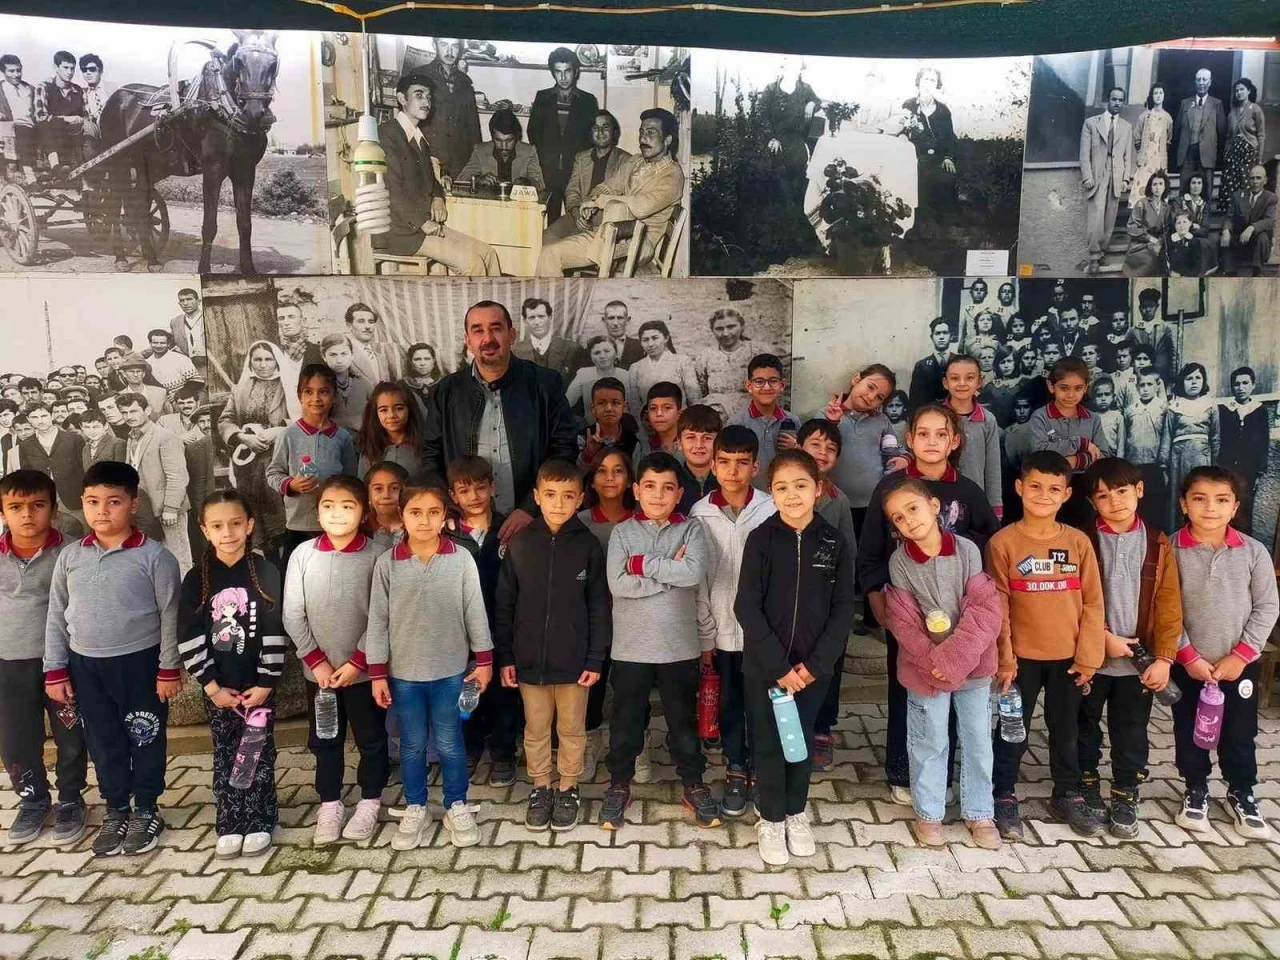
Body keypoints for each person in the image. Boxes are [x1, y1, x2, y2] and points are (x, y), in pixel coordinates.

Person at [857, 404, 999, 800]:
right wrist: (876, 599)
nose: (931, 442)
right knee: (908, 689)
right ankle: (903, 773)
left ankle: (944, 778)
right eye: (923, 433)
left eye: (941, 434)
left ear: (954, 441)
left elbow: (990, 544)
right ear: (910, 439)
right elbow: (870, 551)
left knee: (953, 689)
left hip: (959, 616)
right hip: (906, 612)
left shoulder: (968, 492)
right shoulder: (890, 489)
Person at [44, 460, 182, 857]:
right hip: (86, 667)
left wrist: (168, 668)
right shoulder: (71, 557)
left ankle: (147, 808)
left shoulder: (155, 558)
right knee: (103, 740)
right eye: (92, 501)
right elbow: (57, 614)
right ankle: (117, 808)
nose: (101, 511)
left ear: (134, 504)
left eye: (113, 501)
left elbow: (170, 616)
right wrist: (55, 669)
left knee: (145, 736)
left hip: (139, 665)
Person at [736, 450, 857, 865]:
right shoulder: (761, 539)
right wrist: (779, 667)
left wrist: (815, 665)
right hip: (765, 669)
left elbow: (843, 609)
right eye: (782, 487)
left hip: (812, 672)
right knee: (769, 742)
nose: (792, 495)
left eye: (801, 485)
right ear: (771, 493)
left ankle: (795, 811)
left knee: (801, 741)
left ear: (818, 489)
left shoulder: (833, 541)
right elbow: (746, 607)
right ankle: (770, 817)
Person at [986, 450, 1105, 840]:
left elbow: (1093, 603)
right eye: (1035, 486)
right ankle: (1002, 793)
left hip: (1068, 659)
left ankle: (1067, 793)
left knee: (1066, 728)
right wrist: (1005, 658)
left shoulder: (1078, 542)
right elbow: (998, 607)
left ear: (1067, 494)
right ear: (1019, 488)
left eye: (1054, 489)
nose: (1043, 495)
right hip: (1020, 661)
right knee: (1012, 728)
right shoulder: (1003, 543)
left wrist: (1089, 656)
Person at [878, 475, 1002, 850]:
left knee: (978, 740)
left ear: (934, 507)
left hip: (974, 667)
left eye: (913, 509)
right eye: (898, 518)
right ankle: (929, 812)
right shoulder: (900, 561)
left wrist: (952, 659)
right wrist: (934, 663)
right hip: (925, 671)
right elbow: (903, 620)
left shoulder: (967, 551)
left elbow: (983, 609)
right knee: (929, 740)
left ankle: (979, 811)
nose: (909, 520)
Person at [368, 484, 492, 849]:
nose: (424, 520)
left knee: (451, 742)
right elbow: (377, 621)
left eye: (433, 512)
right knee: (412, 744)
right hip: (404, 676)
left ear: (445, 517)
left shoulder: (460, 559)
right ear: (402, 516)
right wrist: (377, 673)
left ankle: (456, 804)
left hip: (451, 672)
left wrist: (484, 660)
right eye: (416, 512)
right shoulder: (387, 563)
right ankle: (416, 806)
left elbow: (475, 610)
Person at [600, 452, 717, 830]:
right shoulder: (622, 532)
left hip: (679, 647)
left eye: (668, 488)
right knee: (626, 721)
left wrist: (641, 565)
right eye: (649, 486)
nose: (658, 495)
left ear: (679, 493)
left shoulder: (691, 530)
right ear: (636, 490)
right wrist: (670, 576)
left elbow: (693, 574)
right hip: (631, 648)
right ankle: (619, 784)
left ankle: (693, 783)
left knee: (683, 721)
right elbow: (618, 584)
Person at [497, 458, 610, 831]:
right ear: (536, 496)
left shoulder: (588, 545)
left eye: (567, 496)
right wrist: (506, 656)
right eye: (550, 494)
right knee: (536, 728)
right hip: (529, 660)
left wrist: (595, 658)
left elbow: (598, 606)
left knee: (572, 729)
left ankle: (568, 787)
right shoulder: (520, 543)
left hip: (574, 662)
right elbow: (505, 604)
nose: (558, 503)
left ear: (580, 498)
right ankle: (541, 786)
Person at [1170, 466, 1277, 840]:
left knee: (1239, 732)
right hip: (1190, 666)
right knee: (1190, 730)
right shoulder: (1169, 550)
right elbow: (1164, 610)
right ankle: (1195, 788)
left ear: (1235, 507)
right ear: (1184, 504)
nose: (1210, 508)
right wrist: (1188, 656)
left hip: (1238, 667)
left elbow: (1267, 607)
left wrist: (1241, 656)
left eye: (1221, 500)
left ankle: (1242, 791)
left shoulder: (1253, 552)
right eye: (1199, 499)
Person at [178, 490, 285, 859]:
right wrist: (211, 687)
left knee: (255, 751)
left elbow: (274, 630)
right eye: (218, 525)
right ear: (205, 530)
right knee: (226, 753)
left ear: (249, 525)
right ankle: (230, 821)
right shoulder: (196, 579)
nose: (228, 533)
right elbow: (188, 635)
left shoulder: (266, 572)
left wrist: (265, 683)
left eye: (236, 523)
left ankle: (260, 818)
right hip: (219, 689)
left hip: (258, 688)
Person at [283, 474, 389, 845]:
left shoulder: (378, 556)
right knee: (325, 738)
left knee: (371, 738)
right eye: (328, 506)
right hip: (320, 676)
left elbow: (382, 615)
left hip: (362, 673)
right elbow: (292, 613)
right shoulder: (303, 555)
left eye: (347, 506)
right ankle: (330, 802)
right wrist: (316, 661)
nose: (337, 513)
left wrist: (358, 661)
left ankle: (370, 800)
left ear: (364, 512)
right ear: (317, 512)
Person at [1079, 458, 1181, 839]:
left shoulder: (1157, 542)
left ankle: (1125, 790)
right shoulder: (1082, 540)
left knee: (1131, 729)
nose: (1115, 502)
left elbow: (1169, 604)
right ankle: (1085, 783)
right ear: (1092, 502)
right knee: (1083, 725)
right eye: (1103, 496)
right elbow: (1072, 599)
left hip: (1138, 664)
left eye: (1122, 492)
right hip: (1091, 659)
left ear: (1139, 490)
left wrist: (1165, 659)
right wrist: (1101, 637)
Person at [421, 301, 579, 544]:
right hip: (466, 529)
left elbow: (564, 450)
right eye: (478, 330)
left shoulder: (545, 384)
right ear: (468, 340)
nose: (488, 339)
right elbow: (431, 455)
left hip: (532, 524)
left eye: (496, 328)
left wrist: (531, 507)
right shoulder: (446, 391)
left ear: (512, 334)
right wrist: (448, 505)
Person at [691, 426, 777, 819]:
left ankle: (760, 767)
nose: (732, 471)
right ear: (712, 465)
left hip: (762, 633)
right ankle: (735, 767)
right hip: (721, 629)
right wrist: (705, 634)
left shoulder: (771, 509)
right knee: (729, 703)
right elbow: (698, 580)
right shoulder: (700, 513)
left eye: (742, 463)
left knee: (762, 703)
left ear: (756, 467)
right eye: (724, 462)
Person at [0, 470, 87, 846]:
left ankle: (70, 799)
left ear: (53, 509)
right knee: (16, 738)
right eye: (16, 507)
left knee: (71, 735)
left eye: (37, 505)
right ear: (3, 511)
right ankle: (33, 799)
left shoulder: (74, 553)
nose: (27, 514)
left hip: (62, 665)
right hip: (9, 665)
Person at [376, 74, 500, 276]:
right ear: (401, 99)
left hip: (420, 227)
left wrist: (438, 197)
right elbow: (391, 190)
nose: (426, 102)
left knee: (488, 253)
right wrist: (423, 223)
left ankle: (493, 298)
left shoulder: (419, 138)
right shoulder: (387, 134)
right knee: (473, 264)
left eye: (428, 96)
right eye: (419, 95)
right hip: (401, 232)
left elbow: (431, 180)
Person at [536, 109, 684, 277]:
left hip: (639, 244)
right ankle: (596, 267)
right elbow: (609, 186)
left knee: (616, 206)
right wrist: (592, 200)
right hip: (607, 235)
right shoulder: (636, 161)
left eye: (651, 133)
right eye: (641, 132)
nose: (643, 139)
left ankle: (602, 268)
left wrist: (600, 202)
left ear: (668, 139)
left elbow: (641, 207)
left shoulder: (673, 174)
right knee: (549, 254)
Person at [444, 456, 515, 784]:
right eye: (464, 490)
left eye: (480, 488)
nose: (473, 496)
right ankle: (471, 747)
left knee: (503, 693)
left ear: (493, 487)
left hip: (502, 626)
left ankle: (504, 753)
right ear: (453, 495)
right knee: (467, 690)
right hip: (461, 631)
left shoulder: (508, 529)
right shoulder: (448, 535)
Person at [265, 363, 360, 568]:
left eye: (323, 392)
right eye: (309, 392)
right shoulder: (288, 435)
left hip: (334, 525)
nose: (316, 398)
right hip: (298, 525)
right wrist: (291, 484)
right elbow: (273, 473)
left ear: (334, 397)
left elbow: (351, 480)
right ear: (300, 396)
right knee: (294, 576)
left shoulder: (342, 437)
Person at [577, 446, 635, 778]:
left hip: (633, 622)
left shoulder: (642, 519)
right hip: (592, 623)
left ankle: (635, 748)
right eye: (602, 470)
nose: (610, 478)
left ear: (630, 479)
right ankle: (590, 742)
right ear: (592, 479)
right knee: (592, 686)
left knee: (632, 689)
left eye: (618, 470)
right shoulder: (580, 522)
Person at [218, 341, 298, 553]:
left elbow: (302, 418)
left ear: (277, 361)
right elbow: (225, 420)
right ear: (250, 362)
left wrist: (278, 431)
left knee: (279, 513)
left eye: (268, 359)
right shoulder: (241, 388)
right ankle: (266, 560)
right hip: (249, 461)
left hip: (279, 458)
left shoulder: (289, 386)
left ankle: (286, 559)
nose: (263, 365)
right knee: (254, 513)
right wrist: (242, 437)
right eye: (258, 359)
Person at [119, 392, 192, 575]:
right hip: (145, 509)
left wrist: (171, 508)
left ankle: (186, 591)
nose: (129, 416)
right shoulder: (132, 437)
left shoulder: (165, 436)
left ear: (147, 410)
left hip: (167, 508)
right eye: (124, 412)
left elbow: (177, 476)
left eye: (133, 411)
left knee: (178, 558)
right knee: (157, 559)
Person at [1028, 358, 1104, 530]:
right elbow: (1040, 452)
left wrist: (1075, 461)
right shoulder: (1040, 417)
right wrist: (1081, 443)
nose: (1071, 395)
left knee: (1082, 532)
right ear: (1051, 386)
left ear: (1086, 388)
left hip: (1084, 488)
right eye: (1064, 388)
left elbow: (1103, 456)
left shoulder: (1093, 419)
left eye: (1078, 388)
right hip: (1048, 487)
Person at [528, 47, 600, 223]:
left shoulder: (588, 101)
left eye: (567, 71)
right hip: (548, 170)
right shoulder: (542, 97)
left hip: (576, 169)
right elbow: (533, 131)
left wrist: (581, 163)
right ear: (552, 73)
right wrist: (545, 157)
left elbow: (592, 136)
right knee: (549, 218)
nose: (563, 77)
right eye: (558, 72)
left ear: (576, 71)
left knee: (575, 217)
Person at [547, 110, 631, 246]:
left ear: (614, 132)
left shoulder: (626, 160)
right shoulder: (581, 158)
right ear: (591, 133)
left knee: (573, 247)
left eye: (605, 127)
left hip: (608, 221)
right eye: (596, 128)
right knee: (546, 238)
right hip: (579, 216)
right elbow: (572, 191)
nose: (600, 132)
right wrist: (577, 215)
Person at [1079, 87, 1135, 275]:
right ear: (1107, 100)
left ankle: (1102, 251)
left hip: (1116, 173)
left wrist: (1126, 178)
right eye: (1113, 99)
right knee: (1096, 213)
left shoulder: (1126, 126)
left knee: (1110, 215)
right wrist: (1087, 176)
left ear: (1123, 102)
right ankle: (1094, 256)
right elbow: (1084, 154)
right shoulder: (1091, 123)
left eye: (1120, 100)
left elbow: (1128, 155)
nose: (1116, 103)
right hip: (1098, 173)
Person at [1159, 362, 1220, 531]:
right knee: (1179, 495)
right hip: (1178, 459)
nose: (1194, 382)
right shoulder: (1175, 406)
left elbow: (1215, 437)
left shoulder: (1210, 405)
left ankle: (1201, 531)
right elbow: (1167, 435)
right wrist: (1163, 465)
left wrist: (1214, 464)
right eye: (1189, 378)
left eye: (1198, 378)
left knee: (1200, 493)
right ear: (1182, 382)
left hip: (1201, 457)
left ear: (1203, 381)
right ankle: (1178, 534)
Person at [899, 66, 957, 235]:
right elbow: (902, 130)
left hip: (938, 158)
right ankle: (915, 228)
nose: (928, 83)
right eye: (925, 79)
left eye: (932, 80)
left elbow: (950, 137)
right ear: (919, 82)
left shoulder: (943, 110)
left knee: (944, 179)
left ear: (937, 85)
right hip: (914, 156)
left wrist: (948, 157)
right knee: (917, 179)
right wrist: (904, 140)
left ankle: (939, 230)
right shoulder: (909, 105)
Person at [942, 355, 1002, 517]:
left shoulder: (988, 420)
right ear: (945, 383)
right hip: (939, 499)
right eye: (955, 378)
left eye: (969, 378)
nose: (962, 383)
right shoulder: (935, 417)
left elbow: (993, 467)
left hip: (975, 500)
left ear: (979, 381)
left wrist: (995, 508)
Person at [728, 353, 800, 488]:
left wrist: (797, 448)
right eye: (759, 381)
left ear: (782, 385)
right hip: (749, 495)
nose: (766, 387)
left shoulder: (792, 421)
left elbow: (802, 463)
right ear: (749, 386)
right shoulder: (737, 423)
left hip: (784, 493)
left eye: (773, 381)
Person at [18, 404, 84, 535]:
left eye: (44, 416)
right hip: (43, 500)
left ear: (52, 416)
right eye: (35, 417)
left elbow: (84, 469)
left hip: (73, 498)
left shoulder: (73, 439)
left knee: (80, 533)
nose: (40, 421)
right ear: (29, 420)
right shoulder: (25, 445)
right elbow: (27, 476)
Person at [1218, 366, 1269, 534]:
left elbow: (1263, 442)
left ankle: (1243, 542)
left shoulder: (1260, 411)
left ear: (1253, 385)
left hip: (1249, 469)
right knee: (1226, 505)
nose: (1241, 388)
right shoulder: (1225, 410)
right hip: (1227, 467)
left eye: (1245, 383)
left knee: (1245, 506)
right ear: (1232, 387)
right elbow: (1220, 439)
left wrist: (1259, 471)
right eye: (1237, 384)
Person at [419, 38, 480, 178]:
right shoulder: (420, 75)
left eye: (455, 46)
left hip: (460, 160)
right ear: (434, 45)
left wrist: (476, 161)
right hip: (430, 158)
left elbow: (473, 125)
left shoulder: (464, 81)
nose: (449, 51)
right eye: (444, 45)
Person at [1174, 69, 1227, 213]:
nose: (1201, 83)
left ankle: (1203, 222)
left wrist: (1216, 153)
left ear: (1210, 82)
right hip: (1187, 153)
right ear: (1195, 81)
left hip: (1207, 153)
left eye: (1204, 80)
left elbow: (1222, 132)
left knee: (1206, 190)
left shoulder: (1217, 104)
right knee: (1184, 188)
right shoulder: (1185, 103)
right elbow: (1177, 130)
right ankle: (1183, 220)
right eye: (1198, 79)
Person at [625, 321, 702, 418]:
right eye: (645, 340)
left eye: (655, 338)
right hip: (650, 422)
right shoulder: (635, 368)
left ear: (666, 338)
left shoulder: (682, 362)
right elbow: (634, 405)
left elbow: (694, 398)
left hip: (680, 420)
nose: (650, 344)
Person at [457, 108, 546, 189]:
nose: (504, 146)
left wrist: (527, 183)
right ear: (492, 137)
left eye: (509, 140)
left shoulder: (529, 151)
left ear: (516, 137)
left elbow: (540, 184)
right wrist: (478, 180)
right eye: (498, 140)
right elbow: (461, 180)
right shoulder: (480, 151)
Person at [357, 381, 426, 480]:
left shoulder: (424, 445)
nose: (392, 415)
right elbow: (362, 483)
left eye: (399, 408)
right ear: (375, 413)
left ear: (410, 409)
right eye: (384, 410)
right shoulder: (370, 446)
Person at [511, 297, 585, 386]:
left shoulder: (572, 349)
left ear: (550, 317)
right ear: (525, 321)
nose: (537, 322)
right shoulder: (515, 352)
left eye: (541, 316)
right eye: (531, 318)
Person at [1220, 164, 1276, 277]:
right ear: (1248, 180)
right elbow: (1229, 217)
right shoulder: (1238, 196)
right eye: (1252, 178)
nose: (1255, 181)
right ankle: (1230, 272)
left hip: (1257, 243)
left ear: (1265, 180)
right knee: (1223, 236)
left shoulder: (1270, 197)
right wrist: (1226, 230)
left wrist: (1252, 228)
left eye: (1258, 178)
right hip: (1240, 240)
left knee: (1263, 237)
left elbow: (1269, 221)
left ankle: (1257, 271)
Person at [34, 50, 85, 171]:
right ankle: (55, 165)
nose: (69, 72)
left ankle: (70, 167)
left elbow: (84, 115)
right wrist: (66, 118)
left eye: (72, 68)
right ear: (55, 67)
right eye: (65, 68)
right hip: (50, 132)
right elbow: (40, 116)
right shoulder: (44, 87)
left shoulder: (78, 90)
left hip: (72, 134)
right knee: (46, 123)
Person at [698, 307, 759, 402]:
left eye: (731, 327)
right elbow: (703, 391)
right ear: (712, 330)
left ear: (742, 326)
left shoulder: (756, 352)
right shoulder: (705, 357)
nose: (725, 333)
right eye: (719, 329)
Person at [1222, 78, 1266, 204]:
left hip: (1249, 154)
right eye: (1236, 91)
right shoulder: (1232, 113)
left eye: (1242, 89)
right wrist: (1226, 153)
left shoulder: (1255, 109)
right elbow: (1229, 136)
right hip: (1233, 154)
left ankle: (1245, 212)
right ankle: (1231, 212)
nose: (1239, 92)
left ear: (1248, 91)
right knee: (1231, 185)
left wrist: (1259, 159)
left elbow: (1261, 135)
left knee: (1246, 184)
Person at [578, 377, 640, 466]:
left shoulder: (633, 441)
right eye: (601, 403)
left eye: (615, 403)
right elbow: (575, 472)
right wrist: (589, 454)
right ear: (593, 408)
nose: (609, 409)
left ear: (624, 407)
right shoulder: (582, 438)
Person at [1129, 83, 1173, 208]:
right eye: (1155, 93)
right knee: (1142, 187)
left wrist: (1160, 153)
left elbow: (1169, 140)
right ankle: (1139, 212)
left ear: (1164, 96)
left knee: (1158, 186)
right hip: (1146, 160)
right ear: (1152, 96)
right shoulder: (1144, 116)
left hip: (1159, 160)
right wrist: (1143, 152)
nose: (1158, 96)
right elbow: (1137, 137)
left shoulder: (1168, 118)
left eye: (1161, 93)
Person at [320, 334, 374, 433]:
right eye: (333, 355)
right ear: (324, 357)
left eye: (344, 354)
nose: (339, 360)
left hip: (362, 439)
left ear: (352, 355)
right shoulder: (318, 387)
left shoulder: (364, 384)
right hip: (331, 439)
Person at [1123, 171, 1172, 277]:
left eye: (1160, 184)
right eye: (1154, 184)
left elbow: (1168, 229)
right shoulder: (1142, 203)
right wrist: (1149, 238)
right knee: (1150, 259)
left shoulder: (1167, 208)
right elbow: (1132, 227)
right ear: (1150, 187)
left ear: (1165, 187)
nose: (1157, 187)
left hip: (1159, 243)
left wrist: (1160, 241)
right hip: (1140, 244)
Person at [674, 404, 722, 514]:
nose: (699, 445)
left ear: (719, 442)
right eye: (691, 437)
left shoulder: (728, 481)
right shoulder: (672, 482)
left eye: (707, 438)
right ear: (679, 442)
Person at [1, 55, 39, 184]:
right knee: (16, 129)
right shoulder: (1, 89)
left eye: (18, 70)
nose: (16, 74)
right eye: (11, 71)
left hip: (31, 126)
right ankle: (29, 176)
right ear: (3, 72)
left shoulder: (31, 89)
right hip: (9, 127)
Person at [565, 336, 621, 419]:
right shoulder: (584, 374)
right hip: (592, 425)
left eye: (607, 351)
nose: (602, 356)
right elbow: (566, 403)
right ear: (591, 356)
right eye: (597, 353)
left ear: (616, 353)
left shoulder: (626, 376)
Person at [344, 303, 401, 385]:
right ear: (349, 326)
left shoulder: (382, 359)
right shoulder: (343, 355)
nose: (367, 326)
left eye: (371, 322)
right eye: (361, 321)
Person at [908, 317, 956, 411]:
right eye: (937, 333)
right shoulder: (921, 366)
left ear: (951, 336)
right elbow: (915, 399)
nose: (941, 337)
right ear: (932, 337)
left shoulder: (960, 362)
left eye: (945, 333)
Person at [366, 460, 408, 550]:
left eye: (394, 488)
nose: (386, 495)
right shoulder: (361, 528)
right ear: (368, 495)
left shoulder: (416, 526)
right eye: (378, 489)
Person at [117, 354, 169, 420]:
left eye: (138, 371)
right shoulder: (120, 396)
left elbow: (169, 416)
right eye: (131, 372)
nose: (136, 375)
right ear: (124, 374)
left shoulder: (160, 392)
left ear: (143, 374)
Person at [1166, 209, 1214, 277]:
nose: (1182, 226)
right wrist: (1171, 272)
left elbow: (1196, 264)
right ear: (1174, 225)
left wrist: (1187, 275)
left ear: (1190, 223)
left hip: (1188, 276)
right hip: (1172, 275)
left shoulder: (1194, 241)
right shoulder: (1169, 240)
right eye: (1178, 223)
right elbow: (1165, 261)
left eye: (1184, 222)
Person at [598, 300, 645, 370]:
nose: (615, 323)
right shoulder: (594, 347)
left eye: (620, 318)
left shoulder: (640, 346)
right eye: (611, 318)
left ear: (627, 320)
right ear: (604, 321)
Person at [400, 342, 443, 418]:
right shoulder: (402, 385)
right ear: (411, 362)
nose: (422, 363)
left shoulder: (445, 383)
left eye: (427, 359)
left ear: (433, 361)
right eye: (417, 359)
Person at [1090, 376, 1125, 458]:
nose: (1103, 399)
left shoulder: (1117, 416)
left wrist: (1119, 459)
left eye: (1107, 394)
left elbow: (1121, 442)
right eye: (1099, 395)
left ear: (1113, 397)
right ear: (1094, 399)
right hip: (1096, 458)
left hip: (1113, 457)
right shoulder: (1091, 417)